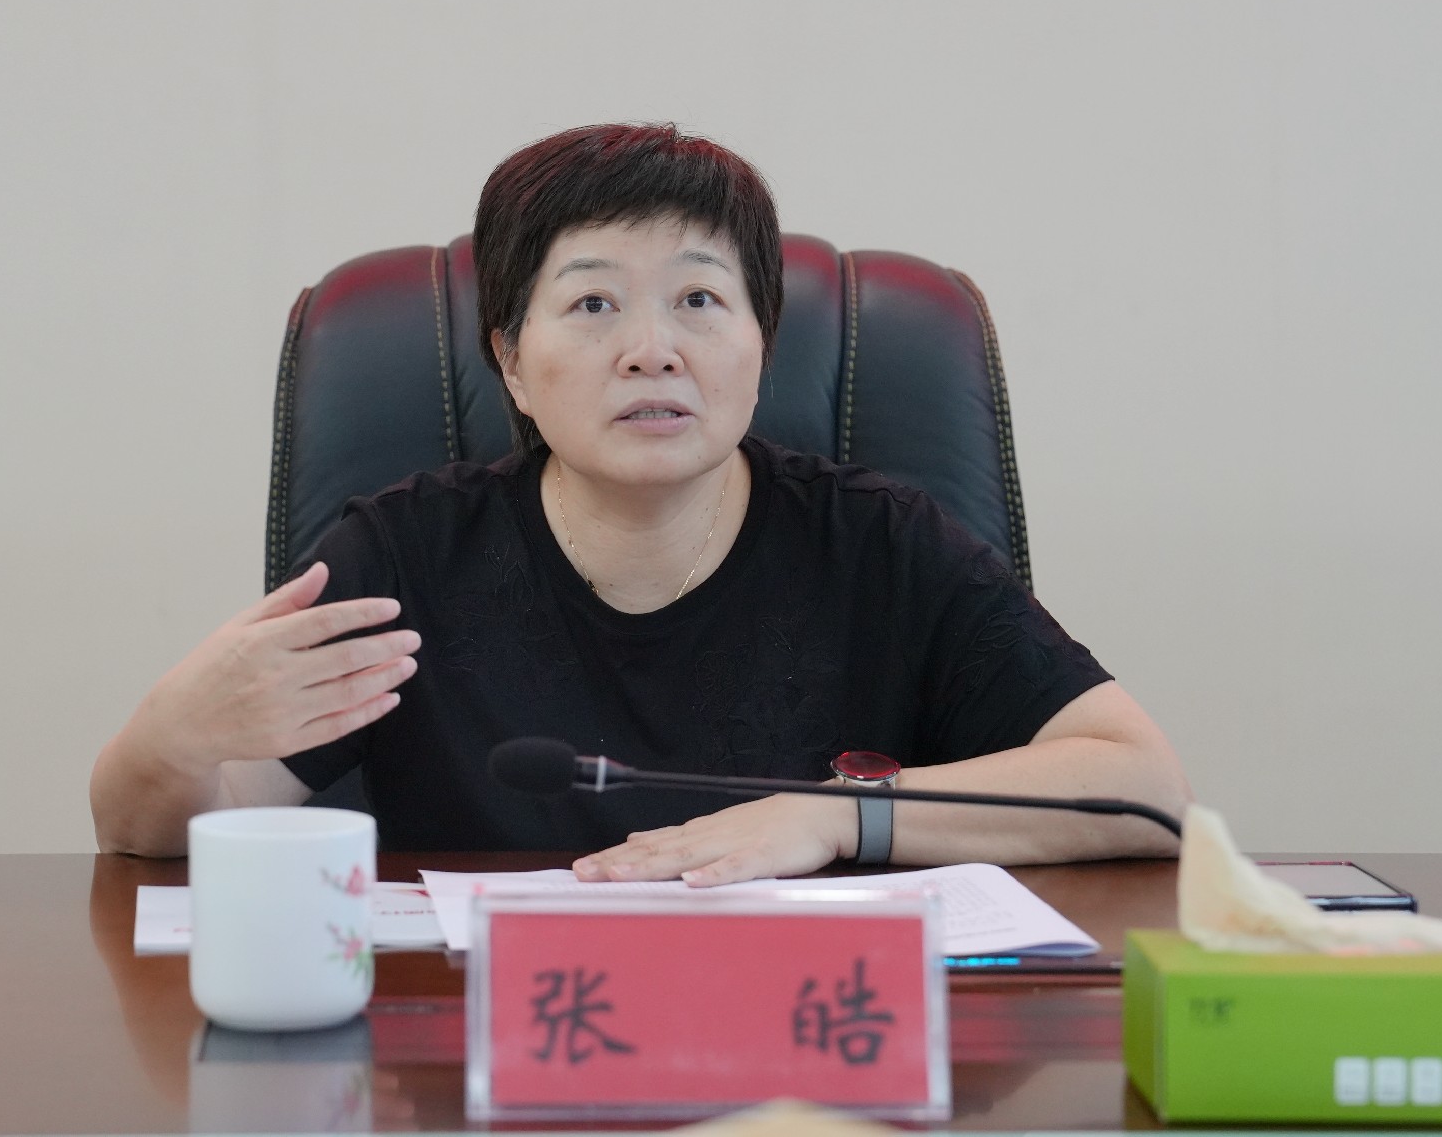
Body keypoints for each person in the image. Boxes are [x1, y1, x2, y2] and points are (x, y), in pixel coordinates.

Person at [91, 124, 1190, 883]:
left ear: (762, 347)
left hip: (809, 1072)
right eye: (593, 304)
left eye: (700, 299)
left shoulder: (882, 545)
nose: (651, 349)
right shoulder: (404, 557)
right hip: (488, 1066)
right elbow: (159, 829)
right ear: (511, 363)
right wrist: (169, 738)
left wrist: (833, 816)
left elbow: (1143, 787)